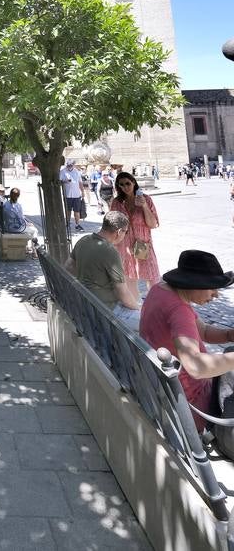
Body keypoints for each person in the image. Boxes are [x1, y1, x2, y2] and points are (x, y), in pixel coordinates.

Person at [140, 250, 234, 431]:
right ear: (194, 283)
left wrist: (230, 334)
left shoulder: (160, 290)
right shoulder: (178, 310)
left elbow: (204, 332)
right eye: (212, 287)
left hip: (162, 387)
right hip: (189, 403)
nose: (216, 295)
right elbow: (196, 366)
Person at [65, 210, 141, 330]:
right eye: (125, 232)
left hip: (85, 303)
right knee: (149, 321)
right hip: (105, 309)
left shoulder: (83, 240)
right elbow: (123, 293)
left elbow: (68, 267)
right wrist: (138, 308)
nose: (124, 236)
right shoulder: (110, 251)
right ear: (119, 231)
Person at [110, 171, 160, 303]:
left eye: (128, 183)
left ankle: (157, 304)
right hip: (123, 244)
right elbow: (112, 223)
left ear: (133, 182)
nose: (125, 187)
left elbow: (153, 224)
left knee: (152, 274)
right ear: (118, 187)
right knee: (129, 276)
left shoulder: (146, 199)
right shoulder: (117, 202)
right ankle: (135, 307)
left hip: (142, 242)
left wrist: (143, 205)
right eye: (121, 185)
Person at [59, 158, 84, 232]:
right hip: (67, 195)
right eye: (68, 165)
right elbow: (59, 181)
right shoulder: (63, 171)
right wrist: (65, 181)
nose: (69, 166)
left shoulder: (77, 172)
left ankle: (77, 225)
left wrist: (82, 192)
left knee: (77, 211)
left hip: (76, 195)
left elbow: (80, 182)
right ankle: (67, 223)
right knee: (68, 210)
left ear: (73, 165)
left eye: (71, 165)